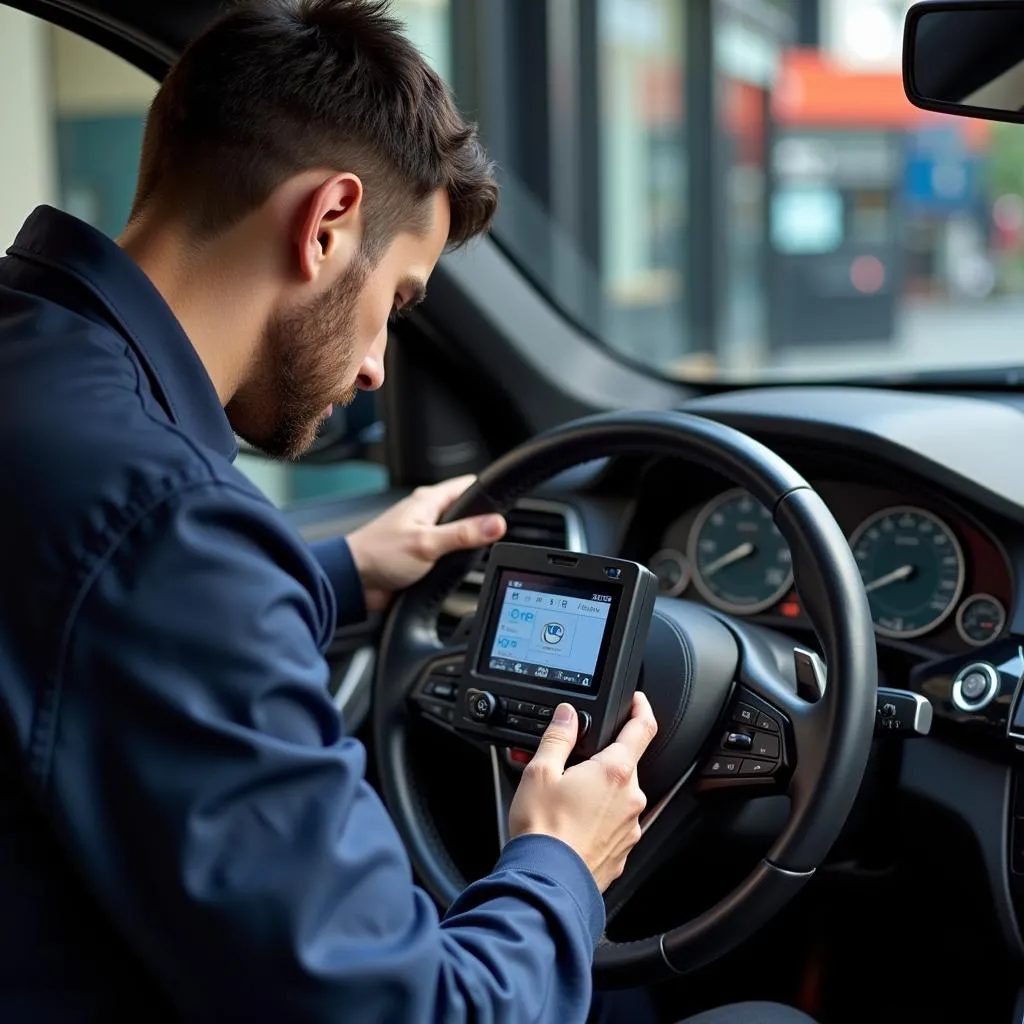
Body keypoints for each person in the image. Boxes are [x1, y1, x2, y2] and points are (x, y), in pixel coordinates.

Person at [0, 1, 816, 1021]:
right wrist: (559, 860)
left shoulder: (43, 384)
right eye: (396, 301)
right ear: (329, 222)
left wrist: (332, 574)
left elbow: (81, 618)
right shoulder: (171, 526)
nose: (381, 364)